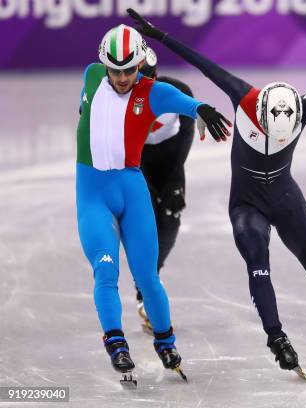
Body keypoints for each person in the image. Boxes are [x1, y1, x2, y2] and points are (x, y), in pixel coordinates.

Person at [127, 8, 306, 379]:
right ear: (261, 113)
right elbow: (203, 63)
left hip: (286, 199)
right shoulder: (244, 97)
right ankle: (277, 339)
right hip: (246, 203)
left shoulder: (304, 106)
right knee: (258, 262)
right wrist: (159, 36)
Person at [77, 24, 230, 386]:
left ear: (141, 64)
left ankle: (166, 341)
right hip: (94, 195)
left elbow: (183, 101)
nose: (122, 77)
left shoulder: (153, 92)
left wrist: (203, 108)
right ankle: (115, 341)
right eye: (115, 70)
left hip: (133, 191)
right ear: (103, 66)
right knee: (106, 271)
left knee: (147, 276)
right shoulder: (92, 75)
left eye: (130, 70)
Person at [134, 47, 196, 335]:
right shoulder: (121, 99)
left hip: (172, 162)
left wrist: (173, 179)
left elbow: (186, 135)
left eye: (150, 78)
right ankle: (146, 284)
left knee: (170, 218)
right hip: (138, 163)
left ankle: (149, 278)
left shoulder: (178, 90)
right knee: (144, 224)